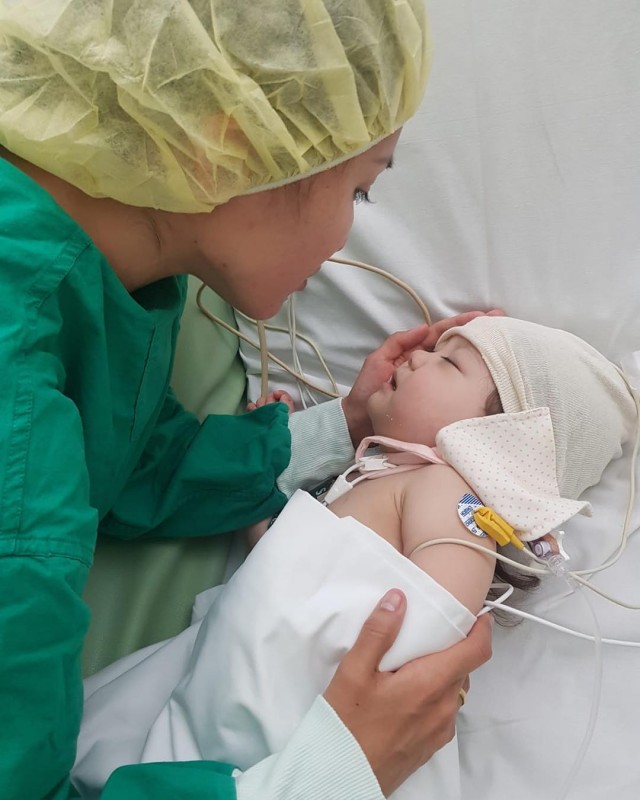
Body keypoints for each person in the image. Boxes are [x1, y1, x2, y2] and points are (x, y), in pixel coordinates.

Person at [0, 3, 495, 800]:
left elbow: (115, 458)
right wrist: (332, 773)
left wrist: (345, 427)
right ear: (225, 143)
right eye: (361, 191)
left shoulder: (79, 261)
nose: (346, 237)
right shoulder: (16, 446)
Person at [73, 315, 637, 800]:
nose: (417, 355)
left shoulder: (445, 491)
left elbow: (436, 627)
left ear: (498, 439)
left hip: (305, 712)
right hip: (234, 668)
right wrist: (258, 514)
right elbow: (283, 572)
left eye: (447, 363)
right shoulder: (375, 478)